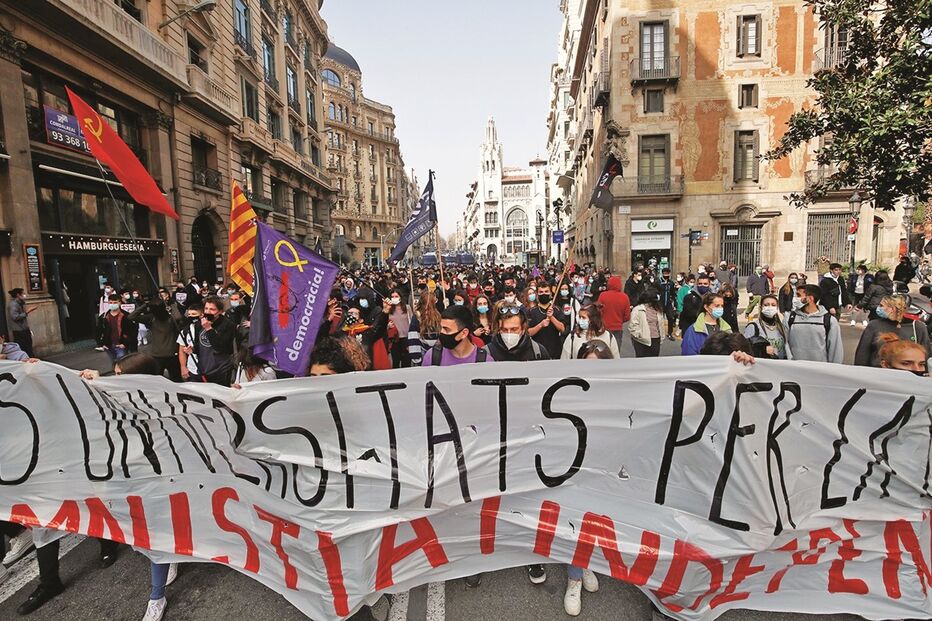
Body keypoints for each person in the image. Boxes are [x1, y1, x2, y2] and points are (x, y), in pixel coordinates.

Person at [854, 295, 931, 367]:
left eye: (881, 306)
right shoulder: (874, 325)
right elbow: (862, 355)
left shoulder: (917, 327)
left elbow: (926, 355)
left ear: (892, 308)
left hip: (908, 376)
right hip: (877, 374)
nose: (878, 308)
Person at [129, 290, 182, 381]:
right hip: (172, 353)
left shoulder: (151, 318)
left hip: (158, 354)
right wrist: (172, 306)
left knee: (158, 380)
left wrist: (145, 305)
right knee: (176, 379)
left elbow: (131, 316)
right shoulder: (170, 318)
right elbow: (178, 317)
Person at [784, 284, 844, 363]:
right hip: (795, 369)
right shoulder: (789, 318)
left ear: (810, 298)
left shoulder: (829, 321)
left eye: (798, 295)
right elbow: (785, 343)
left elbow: (835, 349)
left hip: (819, 370)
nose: (795, 299)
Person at [421, 304, 492, 366]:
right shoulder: (432, 357)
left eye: (447, 329)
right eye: (441, 328)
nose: (441, 332)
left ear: (464, 333)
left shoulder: (485, 361)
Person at [192, 296, 236, 385]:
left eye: (212, 309)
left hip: (221, 371)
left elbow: (221, 348)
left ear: (220, 311)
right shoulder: (199, 324)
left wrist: (209, 329)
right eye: (206, 308)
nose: (208, 312)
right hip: (203, 369)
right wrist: (192, 349)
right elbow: (198, 345)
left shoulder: (228, 325)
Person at [95, 293, 138, 362]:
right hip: (109, 345)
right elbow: (98, 331)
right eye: (110, 302)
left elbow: (133, 331)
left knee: (122, 364)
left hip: (121, 345)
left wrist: (125, 343)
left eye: (115, 302)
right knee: (114, 363)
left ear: (120, 303)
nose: (112, 304)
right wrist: (101, 343)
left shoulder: (126, 316)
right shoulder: (104, 317)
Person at [743, 294, 787, 359]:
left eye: (773, 305)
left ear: (777, 308)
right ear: (761, 307)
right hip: (763, 366)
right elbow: (745, 349)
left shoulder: (782, 327)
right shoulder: (753, 327)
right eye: (766, 305)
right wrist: (762, 349)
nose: (770, 307)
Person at [407, 293, 441, 366]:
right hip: (423, 351)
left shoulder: (438, 315)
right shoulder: (418, 316)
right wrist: (416, 357)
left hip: (437, 351)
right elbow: (413, 336)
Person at [628, 289, 663, 357]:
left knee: (653, 362)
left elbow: (660, 324)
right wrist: (639, 335)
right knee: (641, 363)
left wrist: (661, 337)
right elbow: (632, 326)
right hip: (642, 341)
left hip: (656, 339)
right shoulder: (638, 309)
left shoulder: (658, 309)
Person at [599, 275, 631, 347]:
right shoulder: (625, 297)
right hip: (618, 328)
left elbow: (598, 311)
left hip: (604, 328)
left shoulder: (603, 295)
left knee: (604, 351)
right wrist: (620, 320)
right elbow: (627, 316)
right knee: (615, 351)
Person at [387, 289, 412, 368]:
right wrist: (388, 326)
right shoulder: (389, 309)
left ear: (400, 297)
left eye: (396, 296)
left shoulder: (407, 308)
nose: (394, 298)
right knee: (396, 361)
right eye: (392, 297)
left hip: (406, 338)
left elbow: (411, 321)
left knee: (406, 361)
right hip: (395, 339)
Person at [7, 288, 35, 358]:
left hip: (23, 329)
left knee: (28, 347)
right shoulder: (13, 304)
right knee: (24, 347)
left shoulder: (20, 303)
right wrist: (27, 312)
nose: (24, 295)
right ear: (18, 295)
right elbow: (15, 317)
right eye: (23, 293)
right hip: (19, 330)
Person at [656, 268, 677, 340]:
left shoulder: (671, 283)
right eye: (665, 273)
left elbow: (673, 293)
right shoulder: (658, 282)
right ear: (662, 274)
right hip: (660, 303)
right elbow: (655, 292)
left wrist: (675, 304)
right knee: (659, 319)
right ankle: (658, 333)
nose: (666, 275)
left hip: (668, 303)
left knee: (670, 318)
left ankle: (670, 333)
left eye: (667, 274)